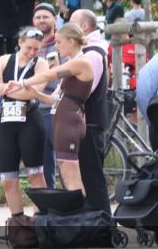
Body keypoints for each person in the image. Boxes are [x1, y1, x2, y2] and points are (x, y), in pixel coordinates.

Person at [9, 23, 94, 195]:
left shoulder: (80, 62)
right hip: (63, 118)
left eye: (59, 42)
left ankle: (83, 211)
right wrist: (36, 94)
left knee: (71, 177)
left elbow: (49, 74)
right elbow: (57, 99)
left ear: (71, 41)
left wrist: (22, 82)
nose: (56, 46)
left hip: (68, 121)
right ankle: (79, 209)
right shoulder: (73, 63)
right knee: (67, 175)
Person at [0, 27, 50, 220]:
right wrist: (17, 89)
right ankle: (18, 222)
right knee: (7, 178)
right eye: (29, 47)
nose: (32, 52)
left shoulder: (41, 64)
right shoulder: (3, 60)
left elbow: (34, 92)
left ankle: (41, 219)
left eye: (36, 49)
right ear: (20, 42)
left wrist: (6, 89)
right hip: (6, 121)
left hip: (30, 120)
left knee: (35, 175)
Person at [69, 9, 113, 214]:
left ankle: (103, 220)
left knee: (93, 175)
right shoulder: (87, 51)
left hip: (90, 122)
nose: (67, 25)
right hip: (86, 121)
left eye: (72, 21)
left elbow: (85, 89)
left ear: (85, 26)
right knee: (88, 173)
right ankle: (96, 218)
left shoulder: (93, 53)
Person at [32, 3, 62, 189]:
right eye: (38, 17)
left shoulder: (62, 43)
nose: (41, 20)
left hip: (56, 108)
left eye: (46, 17)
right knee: (43, 163)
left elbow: (66, 76)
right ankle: (50, 200)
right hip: (34, 110)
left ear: (55, 19)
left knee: (66, 161)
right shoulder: (28, 46)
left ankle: (75, 199)